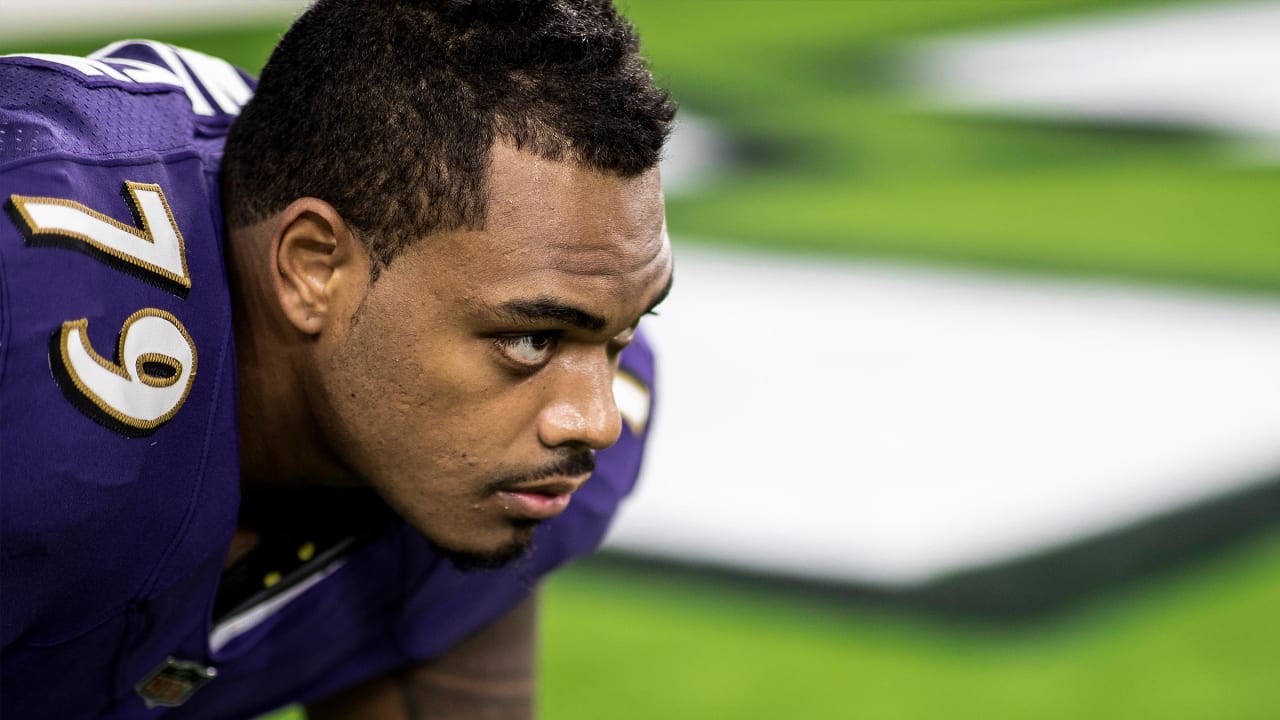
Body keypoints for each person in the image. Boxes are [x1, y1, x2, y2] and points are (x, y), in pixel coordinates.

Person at [0, 0, 675, 717]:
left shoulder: (493, 465)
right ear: (313, 267)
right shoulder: (27, 306)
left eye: (621, 331)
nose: (596, 420)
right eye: (531, 339)